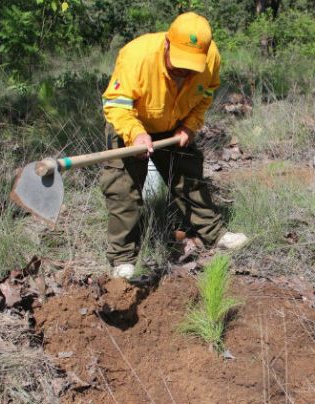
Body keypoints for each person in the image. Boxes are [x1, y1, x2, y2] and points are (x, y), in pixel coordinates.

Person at [100, 12, 249, 279]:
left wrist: (190, 126)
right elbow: (117, 104)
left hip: (175, 124)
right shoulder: (137, 56)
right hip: (132, 122)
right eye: (179, 62)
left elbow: (205, 95)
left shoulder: (210, 58)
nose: (184, 70)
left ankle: (213, 233)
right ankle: (123, 258)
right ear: (167, 44)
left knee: (189, 179)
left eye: (191, 65)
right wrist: (135, 134)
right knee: (122, 188)